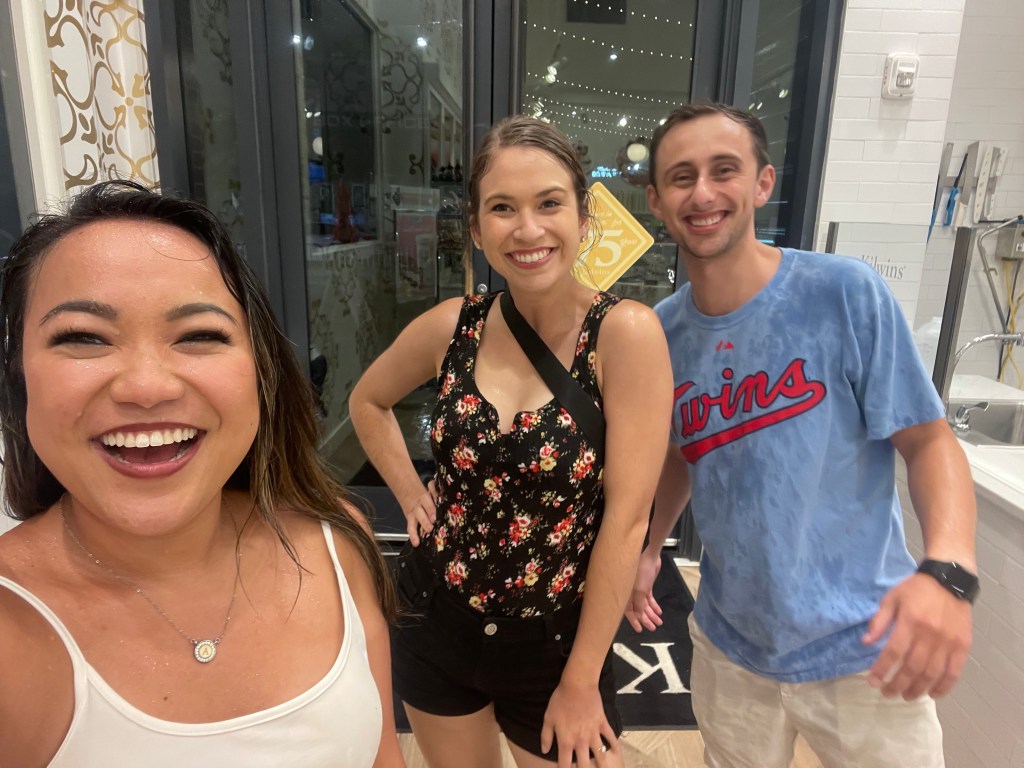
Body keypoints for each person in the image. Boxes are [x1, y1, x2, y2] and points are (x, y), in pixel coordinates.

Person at [0, 180, 404, 767]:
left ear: (260, 369)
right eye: (83, 337)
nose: (146, 387)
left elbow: (383, 753)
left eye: (199, 336)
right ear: (19, 377)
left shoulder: (337, 543)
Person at [626, 103, 977, 768]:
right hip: (731, 645)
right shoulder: (659, 333)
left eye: (723, 170)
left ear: (762, 183)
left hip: (865, 646)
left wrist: (949, 572)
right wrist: (649, 546)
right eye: (681, 176)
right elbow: (679, 450)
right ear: (657, 201)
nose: (702, 193)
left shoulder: (843, 293)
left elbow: (930, 442)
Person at [350, 115, 673, 768]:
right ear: (476, 228)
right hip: (435, 618)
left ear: (584, 217)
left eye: (549, 203)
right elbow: (367, 401)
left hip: (552, 644)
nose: (527, 229)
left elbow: (627, 521)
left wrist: (581, 680)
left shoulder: (625, 335)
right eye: (502, 208)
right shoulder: (454, 325)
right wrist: (411, 493)